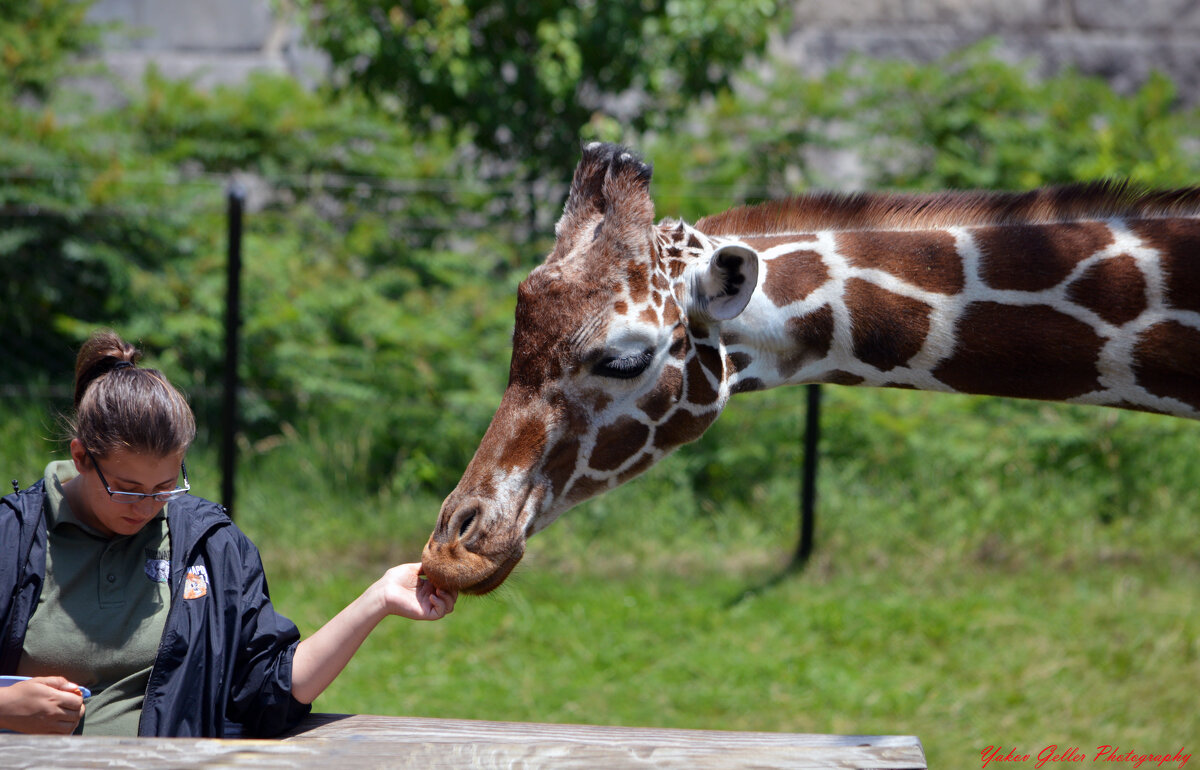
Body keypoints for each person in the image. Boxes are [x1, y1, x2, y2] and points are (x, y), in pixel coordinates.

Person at [0, 330, 457, 737]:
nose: (145, 507)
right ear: (81, 457)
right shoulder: (12, 538)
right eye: (126, 490)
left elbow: (268, 692)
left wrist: (378, 599)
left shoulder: (210, 546)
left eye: (165, 488)